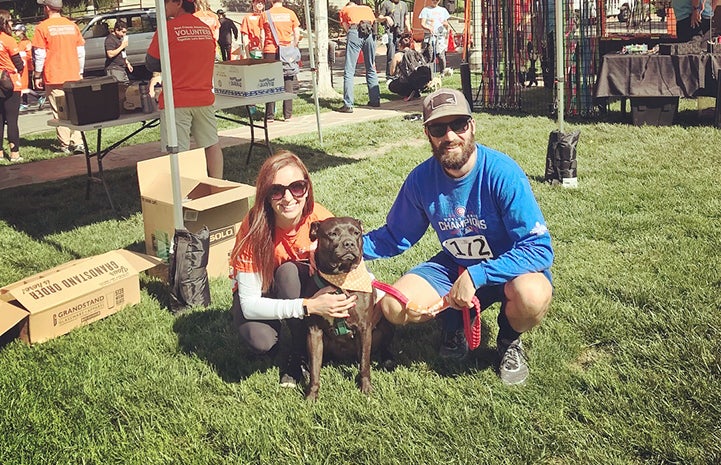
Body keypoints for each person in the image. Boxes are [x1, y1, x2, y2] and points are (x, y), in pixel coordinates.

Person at [363, 88, 554, 386]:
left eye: (459, 125)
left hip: (508, 269)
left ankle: (508, 340)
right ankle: (454, 324)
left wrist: (479, 275)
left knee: (533, 296)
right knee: (394, 307)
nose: (450, 136)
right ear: (428, 134)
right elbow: (394, 235)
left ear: (472, 126)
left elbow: (539, 250)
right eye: (439, 128)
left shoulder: (503, 173)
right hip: (454, 265)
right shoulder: (421, 180)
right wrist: (347, 251)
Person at [229, 150, 357, 387]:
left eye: (296, 187)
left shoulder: (320, 219)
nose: (288, 198)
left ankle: (298, 354)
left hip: (298, 284)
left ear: (307, 188)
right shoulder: (254, 227)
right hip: (263, 291)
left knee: (288, 272)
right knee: (260, 342)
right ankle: (291, 335)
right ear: (266, 195)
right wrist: (310, 306)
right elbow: (250, 304)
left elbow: (352, 263)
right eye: (276, 190)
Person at [145, 0, 224, 178]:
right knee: (211, 144)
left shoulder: (167, 29)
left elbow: (151, 63)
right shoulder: (205, 29)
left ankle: (183, 193)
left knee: (178, 151)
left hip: (177, 99)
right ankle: (219, 185)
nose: (163, 8)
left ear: (178, 3)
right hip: (204, 96)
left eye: (166, 3)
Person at [31, 0, 86, 155]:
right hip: (73, 74)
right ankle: (78, 142)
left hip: (54, 75)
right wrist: (80, 71)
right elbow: (81, 51)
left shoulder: (42, 27)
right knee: (75, 109)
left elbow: (40, 54)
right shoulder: (72, 25)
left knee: (60, 111)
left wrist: (36, 75)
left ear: (47, 8)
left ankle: (65, 144)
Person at [258, 0, 300, 121]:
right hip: (286, 51)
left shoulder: (265, 14)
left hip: (270, 50)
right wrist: (293, 45)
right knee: (288, 79)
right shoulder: (290, 13)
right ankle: (288, 114)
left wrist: (263, 50)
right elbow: (296, 33)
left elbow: (262, 35)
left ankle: (269, 115)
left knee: (270, 82)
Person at [335, 0, 381, 113]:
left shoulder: (345, 10)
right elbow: (374, 22)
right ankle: (375, 100)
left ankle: (348, 104)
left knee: (349, 70)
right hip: (369, 34)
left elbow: (346, 27)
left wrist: (351, 36)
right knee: (370, 67)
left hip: (355, 31)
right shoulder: (367, 8)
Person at [0, 11, 23, 162]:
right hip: (10, 82)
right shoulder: (8, 40)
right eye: (10, 21)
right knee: (12, 119)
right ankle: (14, 152)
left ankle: (0, 153)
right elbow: (19, 63)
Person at [387, 32, 431, 100]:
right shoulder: (415, 53)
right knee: (412, 81)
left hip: (406, 82)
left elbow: (392, 73)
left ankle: (407, 93)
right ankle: (415, 91)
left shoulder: (398, 56)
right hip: (419, 81)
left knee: (391, 85)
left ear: (399, 44)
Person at [377, 0, 411, 78]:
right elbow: (379, 18)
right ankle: (390, 75)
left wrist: (409, 29)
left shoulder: (403, 4)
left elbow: (406, 18)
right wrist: (386, 18)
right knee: (391, 54)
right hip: (390, 32)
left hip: (400, 32)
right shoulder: (386, 3)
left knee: (401, 53)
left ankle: (400, 73)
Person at [13, 24, 39, 112]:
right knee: (26, 85)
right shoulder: (24, 42)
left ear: (21, 31)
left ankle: (34, 99)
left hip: (27, 66)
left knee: (24, 85)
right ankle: (26, 102)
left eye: (16, 31)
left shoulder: (24, 43)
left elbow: (23, 56)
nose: (15, 32)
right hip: (27, 65)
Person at [419, 0, 450, 74]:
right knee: (430, 55)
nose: (435, 1)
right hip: (430, 35)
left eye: (437, 0)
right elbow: (422, 23)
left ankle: (443, 72)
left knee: (441, 55)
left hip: (440, 35)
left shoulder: (443, 10)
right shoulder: (425, 10)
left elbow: (446, 23)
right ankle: (429, 73)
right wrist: (428, 28)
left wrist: (446, 25)